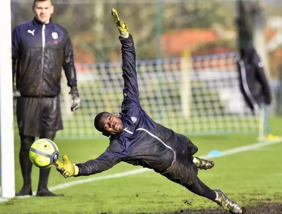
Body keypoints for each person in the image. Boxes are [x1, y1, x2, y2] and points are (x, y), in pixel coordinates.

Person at [55, 9, 242, 214]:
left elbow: (129, 73)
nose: (110, 123)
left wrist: (126, 40)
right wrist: (76, 170)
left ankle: (194, 158)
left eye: (109, 118)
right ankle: (220, 198)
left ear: (114, 114)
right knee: (196, 184)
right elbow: (99, 164)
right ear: (106, 133)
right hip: (171, 165)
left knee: (190, 145)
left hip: (175, 140)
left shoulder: (131, 108)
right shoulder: (119, 147)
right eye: (106, 126)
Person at [12, 0, 81, 197]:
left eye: (46, 8)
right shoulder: (21, 31)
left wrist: (74, 90)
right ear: (34, 9)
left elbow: (69, 62)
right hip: (27, 97)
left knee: (48, 144)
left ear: (52, 9)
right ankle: (26, 186)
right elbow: (11, 59)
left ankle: (43, 187)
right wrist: (11, 86)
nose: (42, 12)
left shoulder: (61, 33)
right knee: (26, 143)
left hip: (51, 98)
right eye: (39, 8)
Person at [237, 45, 272, 113]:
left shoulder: (254, 58)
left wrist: (267, 96)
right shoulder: (244, 60)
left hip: (258, 97)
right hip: (254, 99)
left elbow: (262, 78)